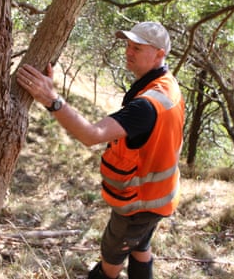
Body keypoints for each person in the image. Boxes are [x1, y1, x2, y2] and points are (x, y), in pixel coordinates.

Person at [17, 22, 185, 279]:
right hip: (159, 197)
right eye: (128, 45)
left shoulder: (147, 105)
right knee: (140, 248)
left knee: (111, 261)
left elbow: (91, 135)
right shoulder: (168, 86)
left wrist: (50, 99)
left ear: (159, 54)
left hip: (138, 205)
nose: (128, 52)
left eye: (137, 48)